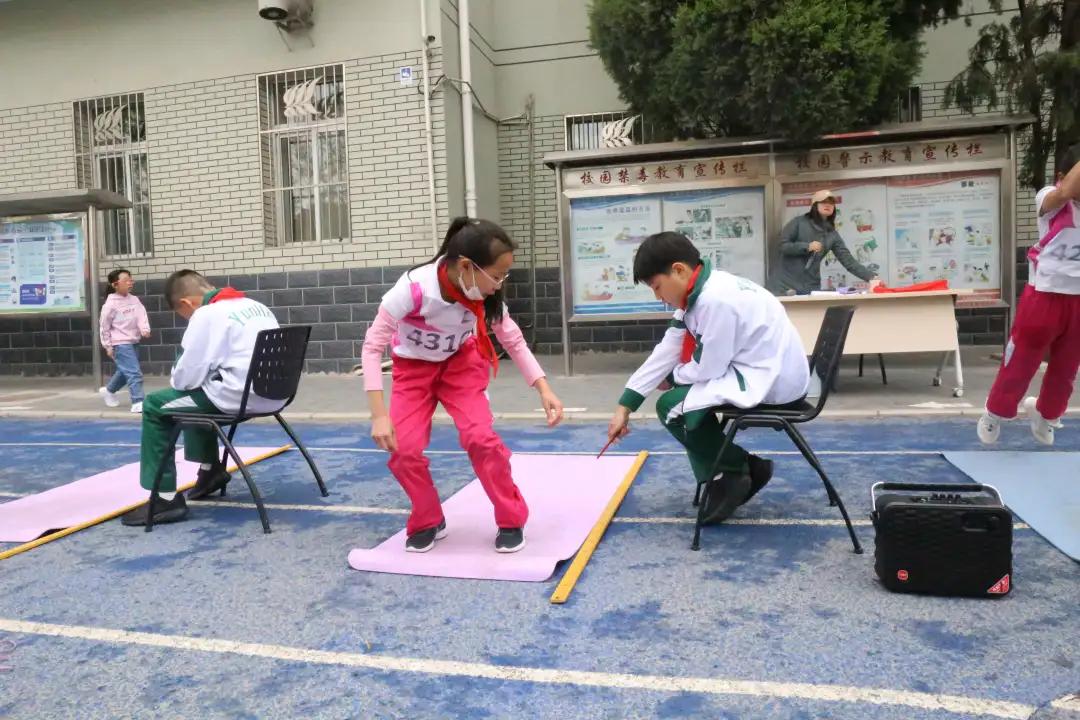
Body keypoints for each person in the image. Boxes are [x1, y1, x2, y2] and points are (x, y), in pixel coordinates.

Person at [362, 217, 565, 553]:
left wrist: (543, 388)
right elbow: (371, 347)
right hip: (412, 370)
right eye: (497, 276)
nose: (499, 285)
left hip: (461, 365)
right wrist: (378, 414)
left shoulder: (483, 295)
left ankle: (511, 518)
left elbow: (511, 339)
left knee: (480, 438)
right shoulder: (413, 289)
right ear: (467, 267)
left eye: (504, 276)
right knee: (403, 450)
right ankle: (428, 518)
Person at [607, 232, 810, 523]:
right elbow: (668, 348)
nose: (658, 297)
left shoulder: (716, 300)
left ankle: (739, 468)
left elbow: (707, 369)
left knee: (672, 407)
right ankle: (727, 474)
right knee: (685, 401)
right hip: (759, 368)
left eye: (657, 287)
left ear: (678, 270)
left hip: (771, 380)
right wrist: (624, 406)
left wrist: (673, 378)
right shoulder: (702, 292)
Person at [121, 270, 284, 527]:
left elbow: (185, 378)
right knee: (196, 395)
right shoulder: (257, 306)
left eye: (183, 315)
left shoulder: (207, 315)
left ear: (187, 303)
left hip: (237, 398)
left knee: (156, 405)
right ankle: (211, 472)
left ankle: (164, 499)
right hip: (275, 395)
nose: (187, 320)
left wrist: (183, 374)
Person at [979, 143, 1080, 446]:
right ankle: (995, 412)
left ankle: (1046, 414)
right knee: (1022, 358)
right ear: (1062, 176)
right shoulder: (1051, 199)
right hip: (1044, 294)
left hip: (1078, 300)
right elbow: (1065, 192)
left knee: (1067, 367)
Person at [771, 189, 881, 295]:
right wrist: (807, 247)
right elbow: (782, 246)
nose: (828, 205)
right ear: (815, 205)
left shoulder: (831, 234)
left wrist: (871, 277)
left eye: (831, 203)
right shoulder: (798, 223)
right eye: (823, 202)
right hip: (784, 286)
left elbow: (848, 261)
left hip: (810, 287)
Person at [98, 268, 150, 413]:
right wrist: (107, 345)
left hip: (134, 340)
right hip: (120, 343)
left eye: (130, 279)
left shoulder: (134, 300)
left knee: (125, 370)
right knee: (134, 372)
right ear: (115, 285)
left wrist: (144, 328)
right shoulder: (110, 305)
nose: (130, 283)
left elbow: (141, 315)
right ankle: (138, 401)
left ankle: (109, 390)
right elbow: (104, 326)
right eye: (126, 280)